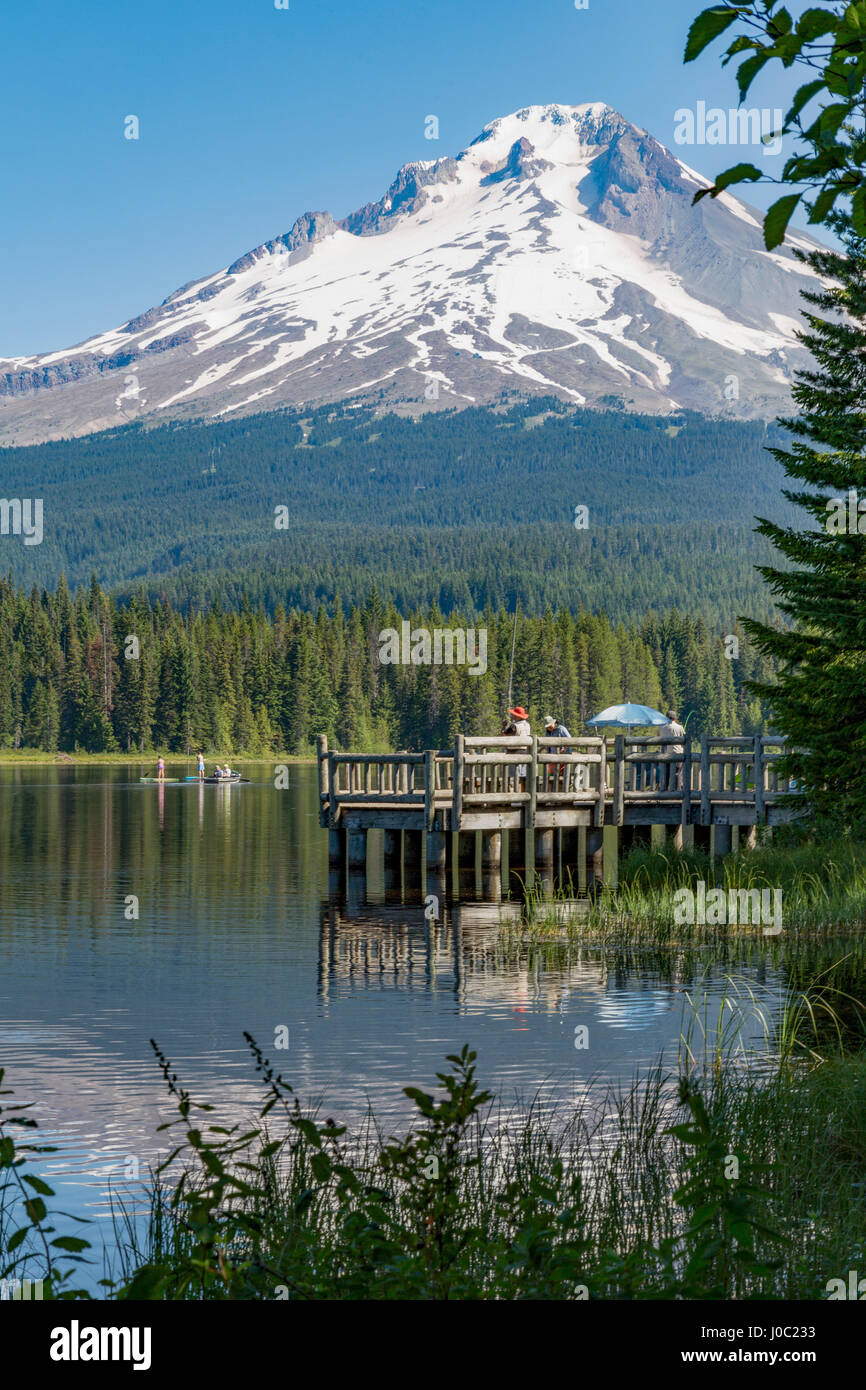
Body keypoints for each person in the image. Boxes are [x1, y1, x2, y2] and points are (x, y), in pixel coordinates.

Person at [657, 709, 686, 791]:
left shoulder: (661, 728)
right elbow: (685, 739)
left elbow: (658, 738)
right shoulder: (679, 727)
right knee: (677, 774)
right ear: (675, 718)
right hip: (677, 754)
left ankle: (664, 791)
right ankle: (677, 791)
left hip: (665, 754)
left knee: (665, 774)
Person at [506, 705, 531, 788]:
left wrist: (504, 728)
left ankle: (516, 796)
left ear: (517, 716)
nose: (513, 716)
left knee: (514, 776)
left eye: (514, 714)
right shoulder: (527, 725)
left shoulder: (514, 726)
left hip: (514, 752)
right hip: (526, 752)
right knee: (523, 775)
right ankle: (523, 795)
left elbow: (505, 734)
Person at [544, 715, 571, 789]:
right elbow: (547, 745)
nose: (549, 728)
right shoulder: (548, 732)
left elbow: (570, 740)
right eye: (547, 727)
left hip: (563, 757)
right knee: (551, 776)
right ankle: (552, 792)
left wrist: (564, 749)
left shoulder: (561, 729)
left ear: (554, 723)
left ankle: (563, 792)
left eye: (550, 726)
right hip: (552, 758)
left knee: (562, 777)